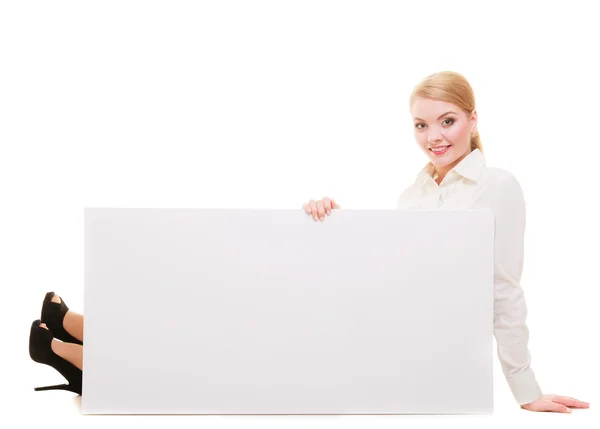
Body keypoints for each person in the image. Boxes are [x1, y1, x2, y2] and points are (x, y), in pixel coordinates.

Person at [302, 70, 590, 413]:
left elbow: (504, 289)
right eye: (421, 125)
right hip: (399, 371)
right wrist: (330, 224)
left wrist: (525, 390)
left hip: (460, 374)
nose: (433, 137)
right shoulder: (410, 196)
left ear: (472, 119)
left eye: (447, 121)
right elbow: (391, 285)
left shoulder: (498, 187)